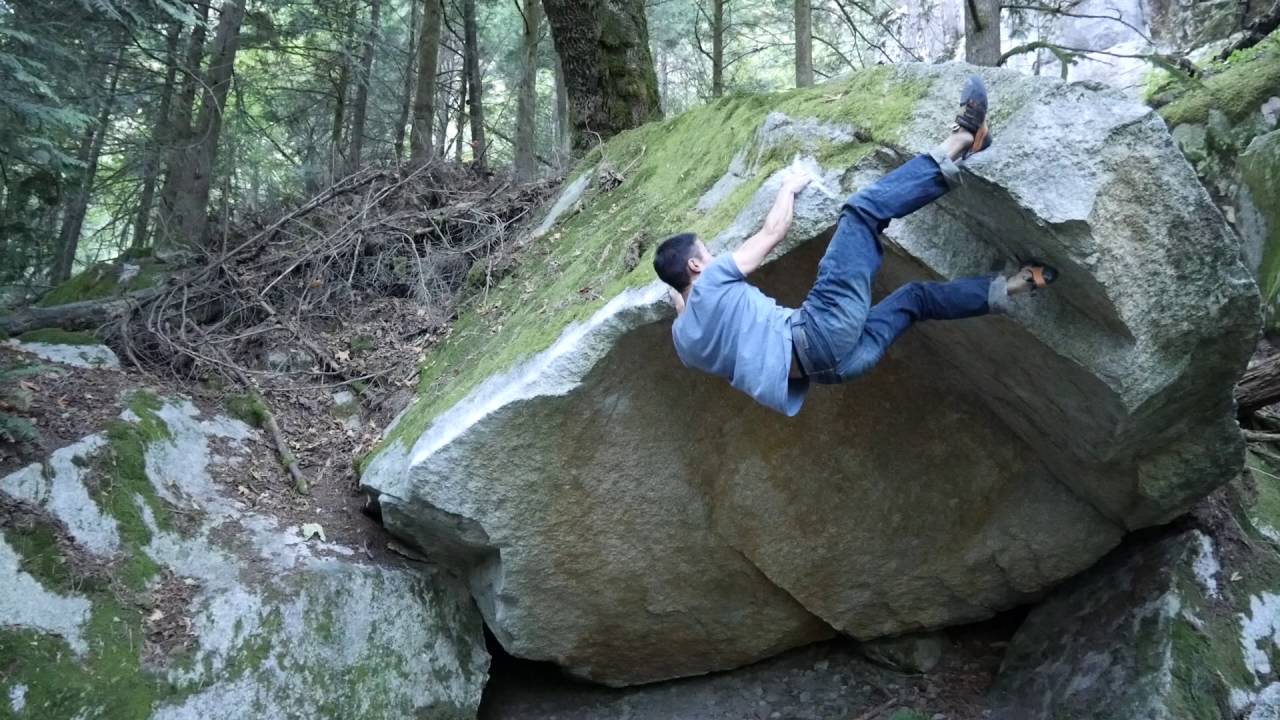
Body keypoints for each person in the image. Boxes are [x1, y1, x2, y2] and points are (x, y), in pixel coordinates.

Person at [653, 76, 1057, 417]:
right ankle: (962, 139)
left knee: (915, 300)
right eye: (706, 253)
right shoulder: (713, 280)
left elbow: (683, 307)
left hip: (833, 369)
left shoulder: (684, 342)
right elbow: (772, 234)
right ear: (695, 266)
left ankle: (1010, 287)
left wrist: (679, 294)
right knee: (862, 212)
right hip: (822, 331)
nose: (713, 255)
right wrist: (789, 187)